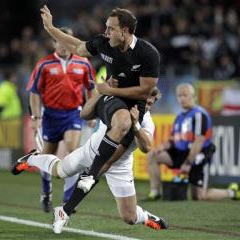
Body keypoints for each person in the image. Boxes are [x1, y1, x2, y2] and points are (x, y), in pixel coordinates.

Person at [40, 5, 160, 215]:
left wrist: (106, 89)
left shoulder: (148, 53)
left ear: (124, 31)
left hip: (129, 104)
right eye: (106, 28)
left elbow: (145, 91)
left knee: (128, 216)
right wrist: (50, 27)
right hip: (111, 100)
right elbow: (77, 46)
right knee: (91, 115)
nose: (106, 33)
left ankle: (90, 177)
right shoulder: (104, 43)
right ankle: (74, 198)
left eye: (110, 29)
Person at [12, 87, 168, 233]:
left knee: (129, 217)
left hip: (120, 165)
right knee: (59, 171)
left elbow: (146, 146)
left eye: (149, 103)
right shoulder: (119, 105)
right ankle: (31, 159)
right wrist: (101, 91)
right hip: (90, 151)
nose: (145, 106)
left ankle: (147, 217)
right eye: (144, 101)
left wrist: (135, 125)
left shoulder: (146, 121)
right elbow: (86, 112)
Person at [26, 27, 96, 212]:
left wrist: (92, 112)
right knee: (47, 156)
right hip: (50, 116)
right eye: (60, 41)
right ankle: (46, 192)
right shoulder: (44, 64)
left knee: (74, 152)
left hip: (73, 113)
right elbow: (34, 92)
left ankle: (67, 201)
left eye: (67, 41)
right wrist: (35, 117)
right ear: (54, 43)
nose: (64, 45)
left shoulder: (84, 63)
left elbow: (91, 89)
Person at [146, 83, 240, 201]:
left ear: (193, 97)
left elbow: (199, 142)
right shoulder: (179, 117)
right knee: (153, 155)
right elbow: (173, 140)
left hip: (198, 155)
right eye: (179, 96)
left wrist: (188, 163)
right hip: (181, 153)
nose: (182, 98)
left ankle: (232, 192)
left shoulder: (199, 115)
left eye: (185, 95)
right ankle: (155, 192)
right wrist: (163, 146)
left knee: (200, 196)